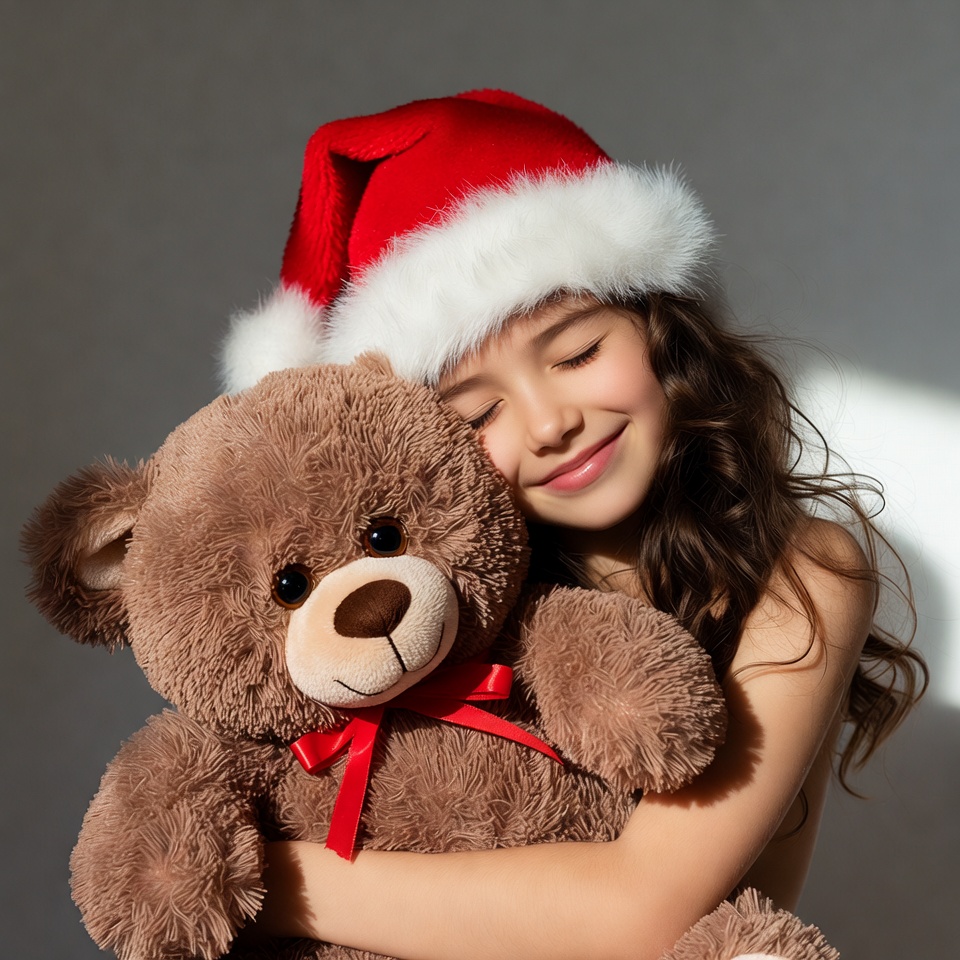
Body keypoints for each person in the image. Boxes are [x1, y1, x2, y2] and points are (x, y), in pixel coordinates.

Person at [221, 90, 927, 960]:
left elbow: (637, 913)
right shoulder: (435, 615)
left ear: (661, 326)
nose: (549, 421)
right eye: (478, 416)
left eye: (579, 353)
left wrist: (269, 882)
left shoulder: (803, 574)